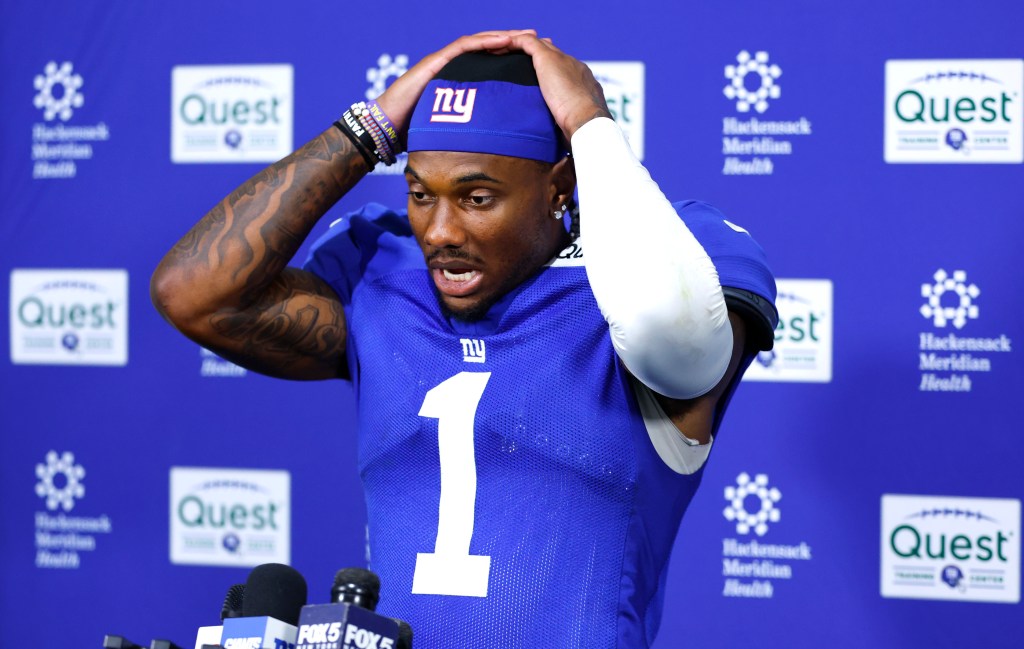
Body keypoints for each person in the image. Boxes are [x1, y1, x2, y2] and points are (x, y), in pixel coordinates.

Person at [152, 30, 777, 649]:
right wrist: (368, 129)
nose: (440, 231)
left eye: (478, 198)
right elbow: (194, 294)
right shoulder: (383, 267)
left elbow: (674, 341)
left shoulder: (669, 259)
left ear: (560, 187)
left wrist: (589, 123)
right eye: (420, 194)